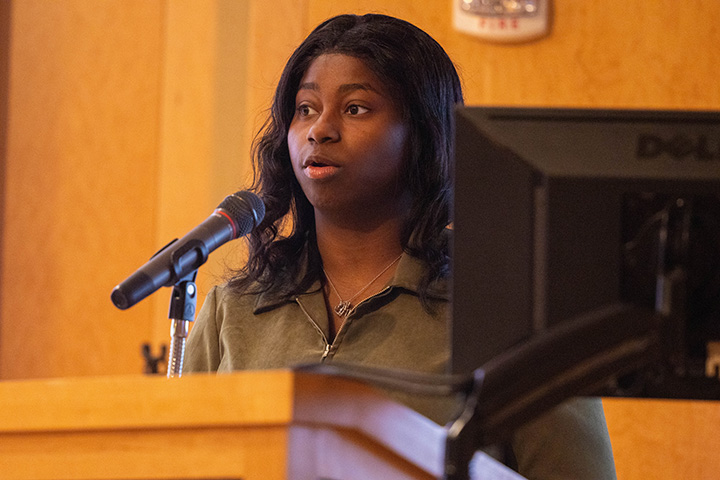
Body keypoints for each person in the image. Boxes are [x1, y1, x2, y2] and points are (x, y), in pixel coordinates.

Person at [185, 13, 617, 479]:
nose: (320, 130)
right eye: (306, 109)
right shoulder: (234, 311)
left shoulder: (511, 315)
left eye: (355, 109)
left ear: (424, 135)